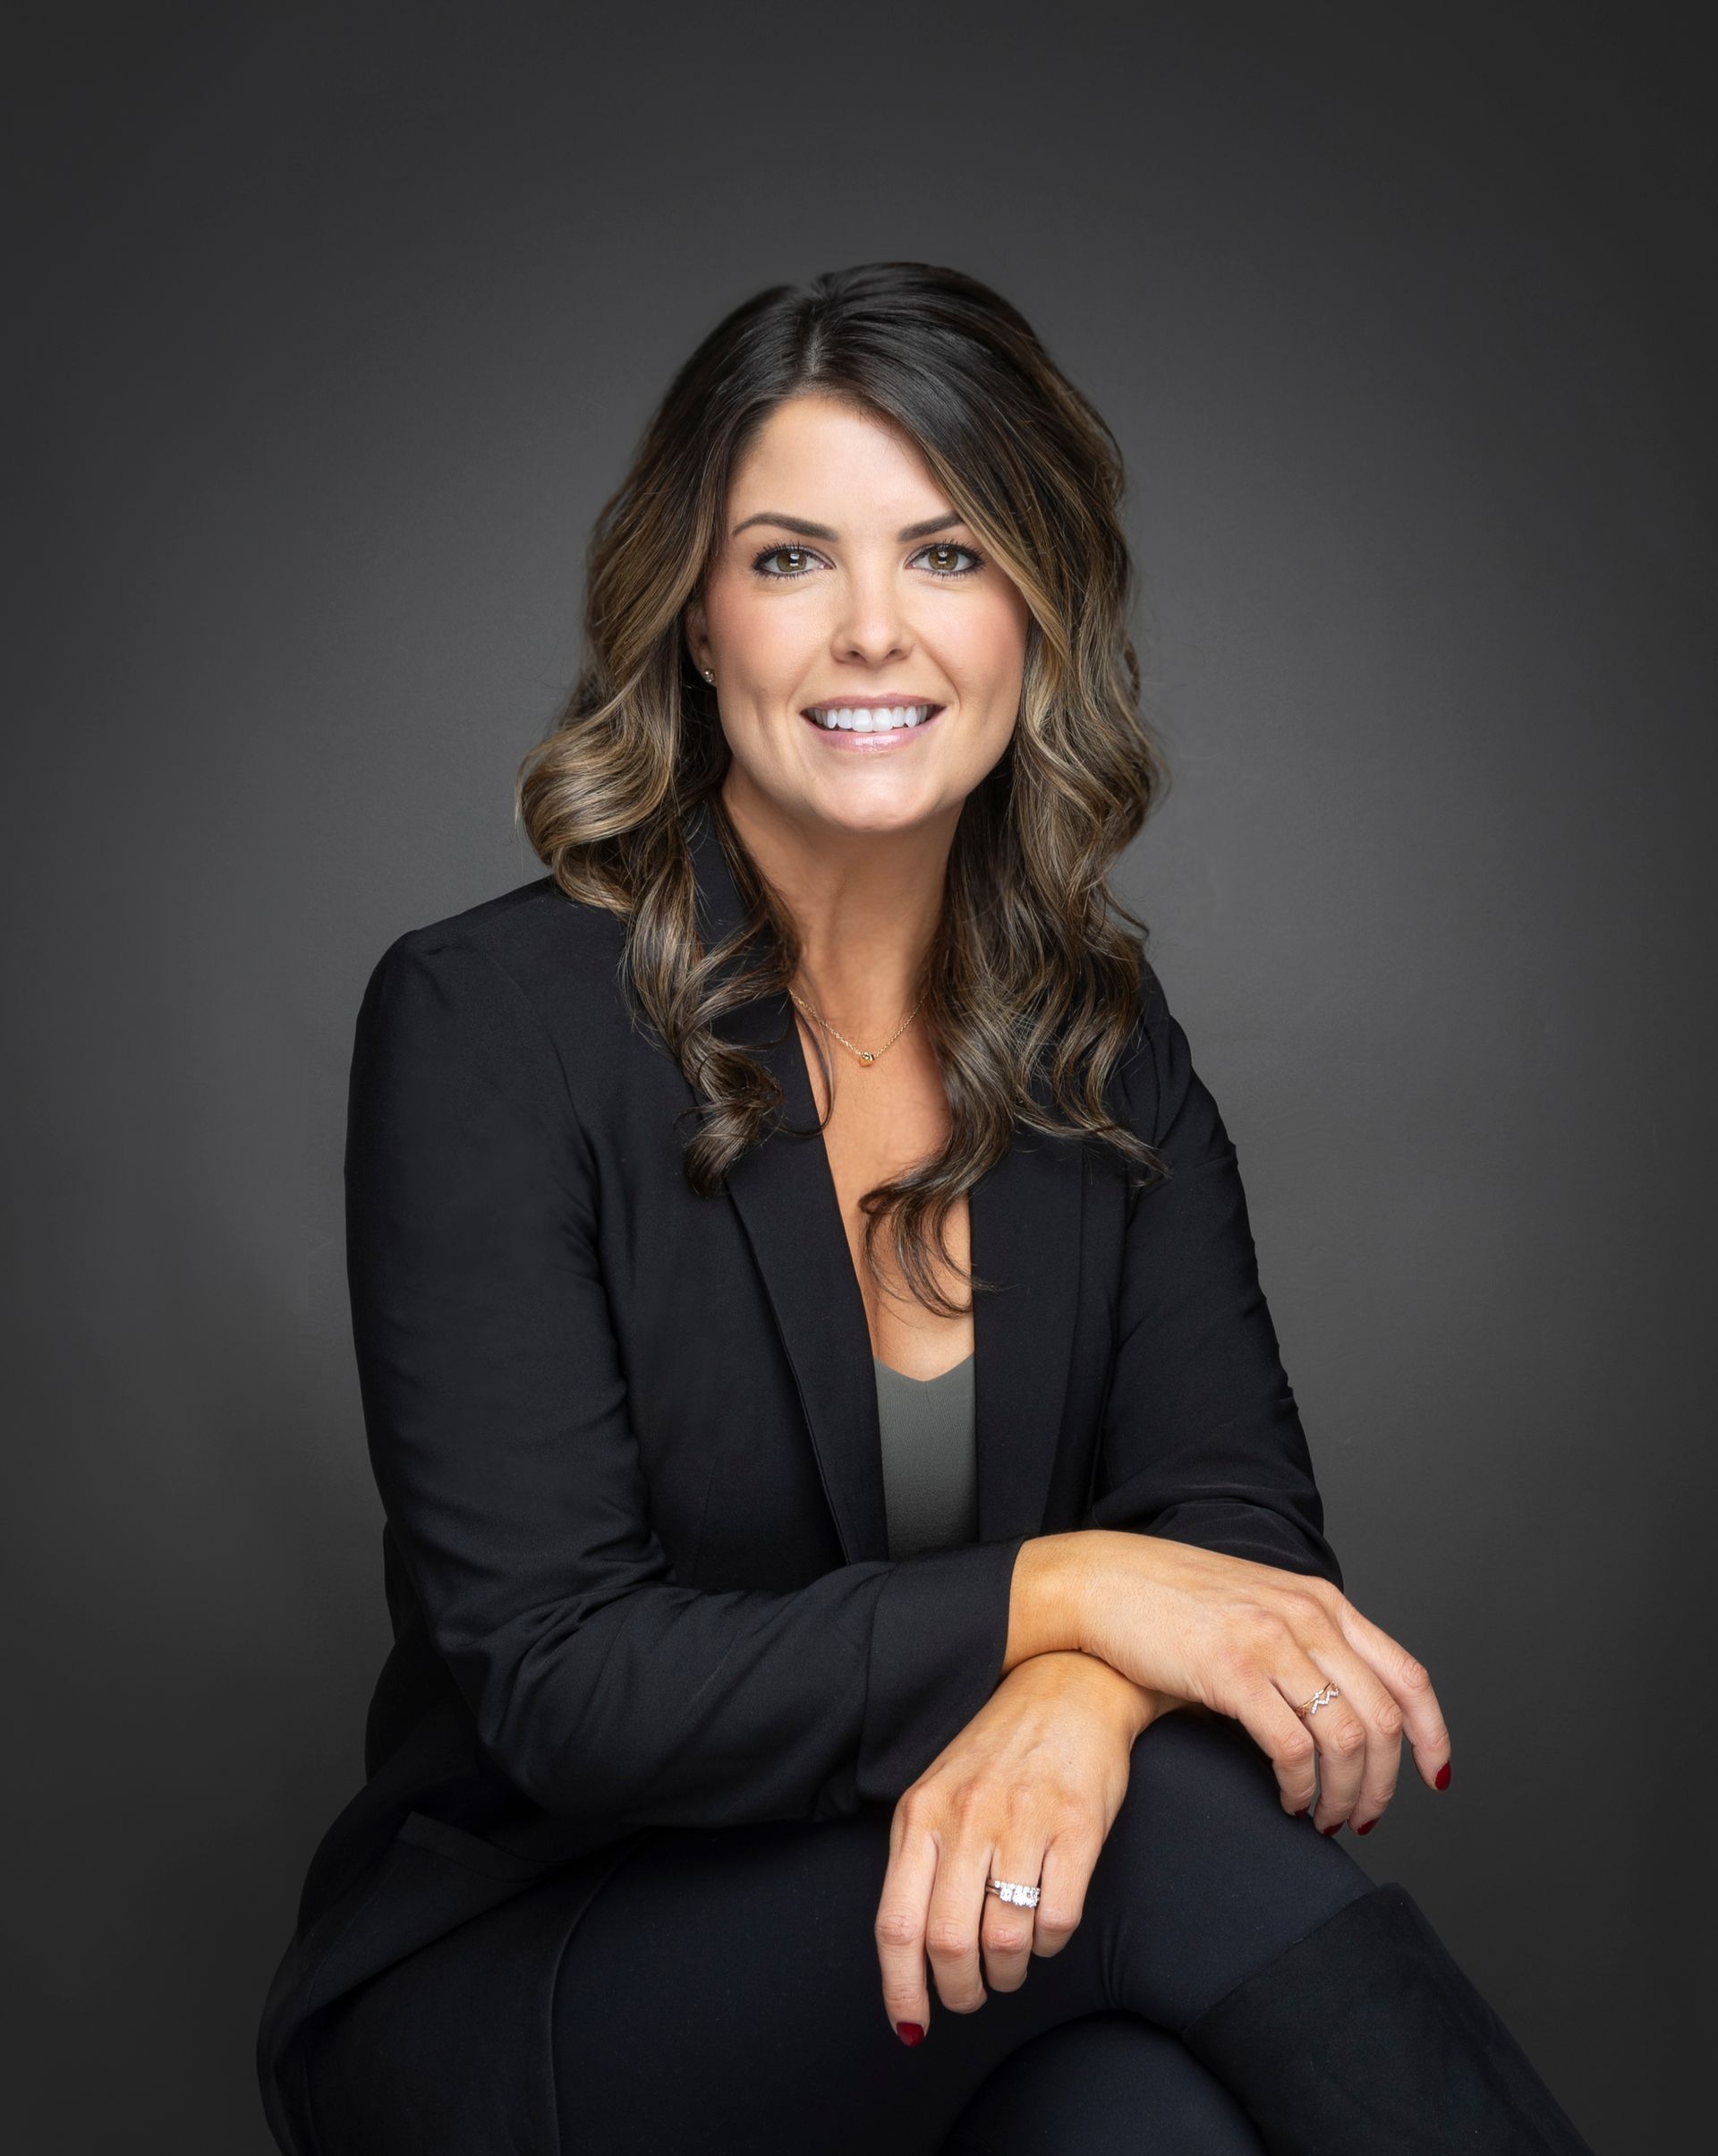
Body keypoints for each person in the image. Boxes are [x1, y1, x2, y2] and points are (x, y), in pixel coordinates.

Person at [257, 261, 1595, 2155]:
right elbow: (569, 1678)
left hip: (947, 1914)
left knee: (1148, 2119)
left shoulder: (1100, 1044)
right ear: (696, 617)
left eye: (949, 553)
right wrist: (1071, 1590)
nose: (873, 629)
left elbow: (1234, 1522)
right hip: (540, 1969)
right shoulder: (494, 1022)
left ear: (1038, 609)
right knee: (1170, 1843)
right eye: (791, 559)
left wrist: (1080, 1696)